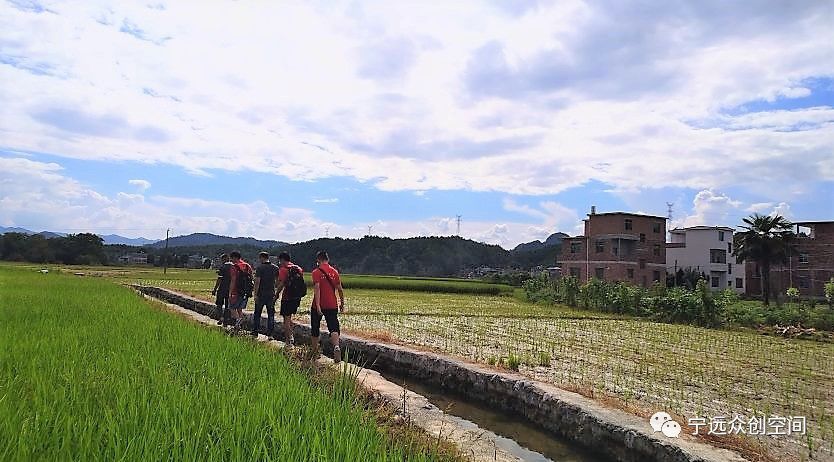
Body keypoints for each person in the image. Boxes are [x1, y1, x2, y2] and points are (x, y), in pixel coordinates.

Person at [310, 250, 345, 362]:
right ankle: (336, 347)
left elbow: (317, 289)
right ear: (327, 259)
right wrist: (342, 304)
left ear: (318, 260)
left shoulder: (316, 272)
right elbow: (340, 289)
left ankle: (315, 352)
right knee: (333, 326)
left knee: (315, 327)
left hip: (318, 305)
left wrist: (319, 306)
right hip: (332, 304)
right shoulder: (334, 272)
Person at [275, 251, 304, 346]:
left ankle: (288, 341)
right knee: (289, 317)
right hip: (296, 298)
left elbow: (281, 284)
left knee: (286, 320)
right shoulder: (298, 268)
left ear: (282, 260)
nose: (279, 263)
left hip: (287, 297)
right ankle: (291, 331)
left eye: (280, 261)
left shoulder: (283, 269)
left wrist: (276, 295)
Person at [251, 252, 279, 337]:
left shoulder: (260, 268)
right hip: (271, 294)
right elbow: (278, 281)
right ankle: (270, 334)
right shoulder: (275, 268)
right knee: (271, 314)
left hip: (261, 294)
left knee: (257, 314)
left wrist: (255, 294)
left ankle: (255, 332)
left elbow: (257, 282)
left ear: (262, 258)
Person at [228, 250, 253, 332]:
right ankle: (240, 325)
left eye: (231, 258)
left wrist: (230, 293)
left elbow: (233, 280)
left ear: (235, 258)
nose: (231, 260)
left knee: (232, 308)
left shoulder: (234, 267)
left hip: (236, 291)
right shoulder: (247, 266)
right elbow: (251, 278)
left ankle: (238, 322)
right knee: (239, 309)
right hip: (245, 292)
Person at [210, 253, 233, 326]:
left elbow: (219, 279)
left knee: (219, 304)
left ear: (224, 259)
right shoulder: (234, 267)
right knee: (227, 306)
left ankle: (221, 318)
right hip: (230, 290)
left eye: (222, 259)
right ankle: (226, 320)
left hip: (222, 289)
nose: (221, 261)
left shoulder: (223, 267)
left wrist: (214, 289)